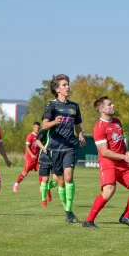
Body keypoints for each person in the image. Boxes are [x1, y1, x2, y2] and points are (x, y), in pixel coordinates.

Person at [83, 96, 129, 229]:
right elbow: (105, 152)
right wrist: (124, 157)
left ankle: (126, 216)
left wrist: (127, 152)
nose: (113, 106)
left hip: (122, 163)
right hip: (108, 163)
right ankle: (88, 221)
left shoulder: (117, 122)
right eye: (109, 104)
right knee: (109, 191)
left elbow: (122, 141)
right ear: (101, 109)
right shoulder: (99, 127)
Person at [42, 74, 86, 223]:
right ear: (57, 89)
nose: (67, 87)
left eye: (68, 84)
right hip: (55, 147)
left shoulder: (74, 106)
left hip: (69, 146)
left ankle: (69, 211)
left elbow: (77, 124)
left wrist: (80, 135)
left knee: (68, 177)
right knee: (60, 181)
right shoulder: (51, 105)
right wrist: (54, 122)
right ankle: (67, 210)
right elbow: (44, 125)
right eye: (64, 85)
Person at [13, 122, 47, 201]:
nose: (37, 129)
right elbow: (27, 146)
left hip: (37, 158)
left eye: (38, 128)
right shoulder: (30, 136)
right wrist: (31, 154)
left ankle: (41, 187)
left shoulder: (39, 136)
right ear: (33, 127)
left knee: (41, 171)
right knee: (25, 172)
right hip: (30, 158)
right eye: (36, 127)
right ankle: (16, 184)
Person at [35, 127, 59, 207]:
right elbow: (37, 140)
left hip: (56, 157)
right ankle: (43, 200)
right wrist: (43, 148)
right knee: (45, 179)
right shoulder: (45, 129)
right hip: (45, 157)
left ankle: (47, 188)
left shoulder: (59, 129)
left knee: (57, 180)